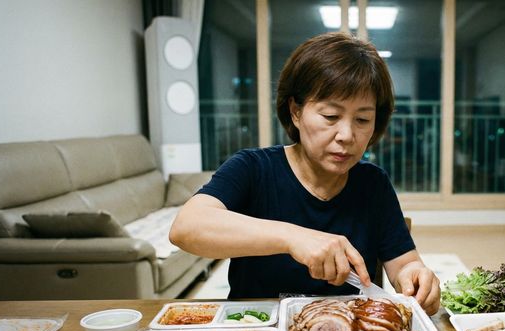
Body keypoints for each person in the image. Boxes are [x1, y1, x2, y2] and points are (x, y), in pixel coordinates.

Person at [170, 32, 440, 315]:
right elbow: (186, 228)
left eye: (362, 120)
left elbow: (405, 265)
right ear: (296, 111)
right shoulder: (253, 168)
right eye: (330, 117)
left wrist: (417, 277)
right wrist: (293, 238)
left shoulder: (373, 184)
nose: (347, 135)